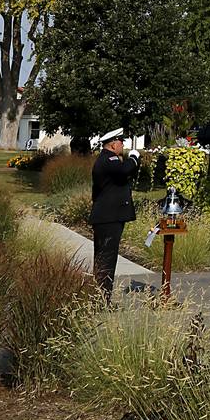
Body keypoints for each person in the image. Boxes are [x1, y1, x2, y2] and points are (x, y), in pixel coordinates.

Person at [90, 128, 140, 301]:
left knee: (105, 257)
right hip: (108, 218)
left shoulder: (107, 159)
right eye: (120, 141)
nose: (123, 144)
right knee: (106, 258)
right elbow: (124, 171)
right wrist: (134, 158)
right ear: (113, 144)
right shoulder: (108, 159)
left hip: (108, 217)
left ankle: (101, 296)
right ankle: (102, 299)